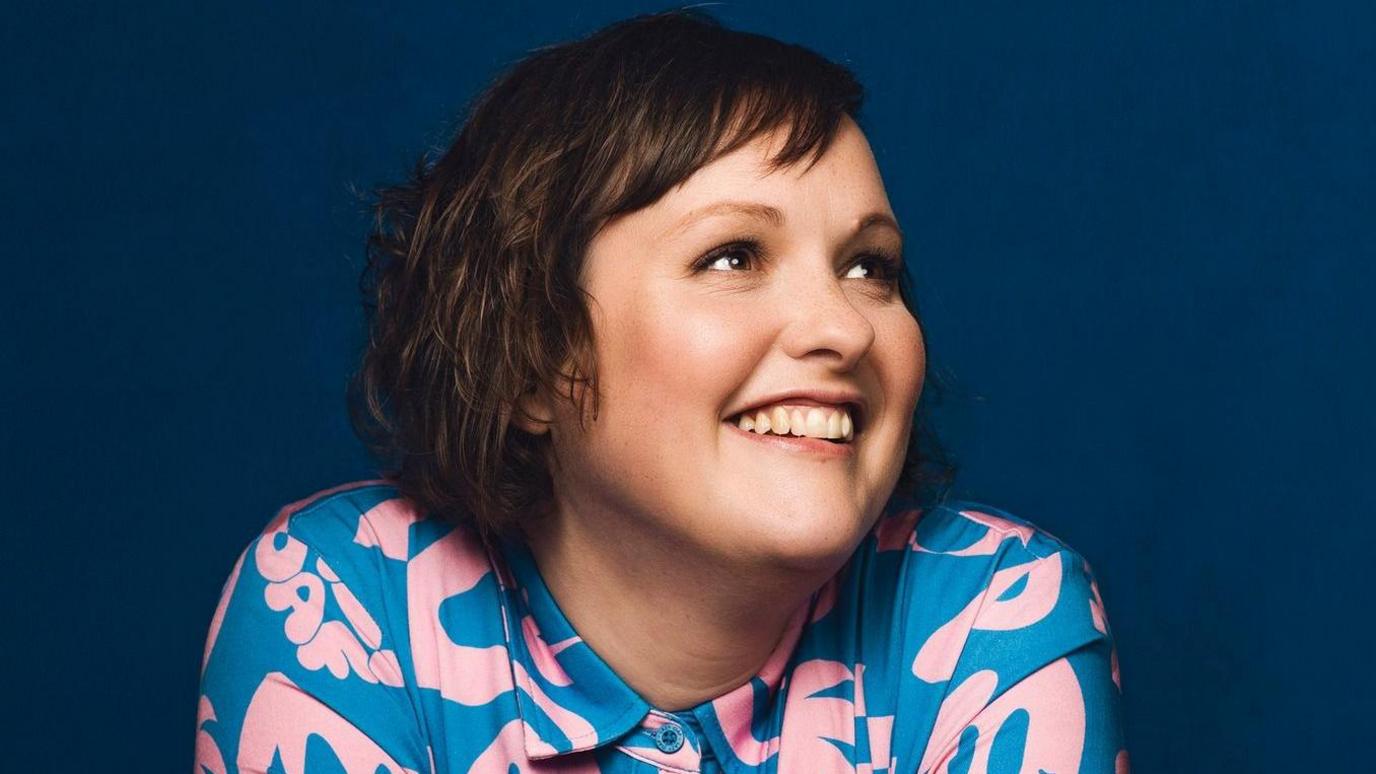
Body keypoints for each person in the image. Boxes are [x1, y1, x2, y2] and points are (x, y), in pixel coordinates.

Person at [194, 8, 1129, 773]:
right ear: (531, 357)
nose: (846, 328)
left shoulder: (995, 616)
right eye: (734, 255)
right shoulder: (341, 603)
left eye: (870, 267)